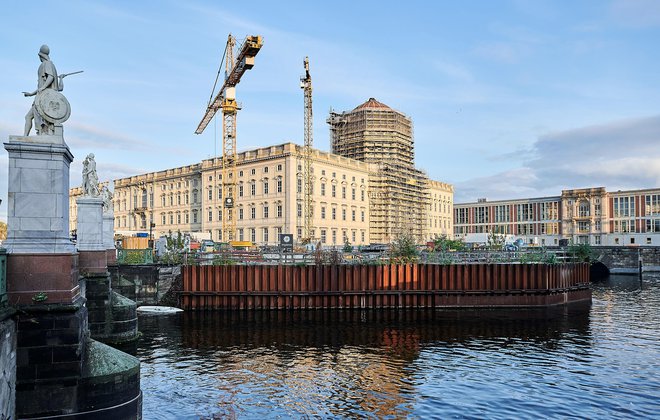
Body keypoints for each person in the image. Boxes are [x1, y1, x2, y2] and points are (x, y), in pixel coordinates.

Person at [23, 44, 61, 136]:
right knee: (28, 116)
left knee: (37, 118)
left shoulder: (47, 64)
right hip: (40, 96)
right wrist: (31, 94)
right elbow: (41, 86)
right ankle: (25, 137)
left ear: (40, 55)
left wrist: (43, 88)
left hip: (44, 98)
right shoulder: (46, 64)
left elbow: (50, 77)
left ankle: (43, 133)